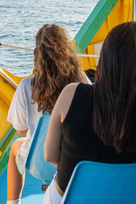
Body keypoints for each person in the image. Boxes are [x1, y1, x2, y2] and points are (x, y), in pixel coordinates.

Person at [43, 22, 136, 204]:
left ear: (105, 57)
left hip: (66, 197)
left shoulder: (71, 94)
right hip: (117, 199)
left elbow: (50, 156)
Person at [6, 24, 85, 204]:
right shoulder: (80, 80)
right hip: (75, 158)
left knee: (15, 148)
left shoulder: (26, 86)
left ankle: (13, 202)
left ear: (37, 55)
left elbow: (20, 130)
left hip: (40, 162)